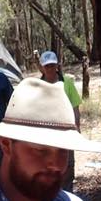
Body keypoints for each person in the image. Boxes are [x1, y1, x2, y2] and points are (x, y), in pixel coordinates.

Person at [38, 50, 82, 192]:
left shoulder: (67, 82)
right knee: (49, 165)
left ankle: (67, 193)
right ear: (42, 67)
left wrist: (77, 127)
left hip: (67, 130)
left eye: (52, 65)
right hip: (47, 133)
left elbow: (75, 106)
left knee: (68, 164)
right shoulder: (38, 86)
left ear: (57, 65)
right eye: (47, 66)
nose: (50, 69)